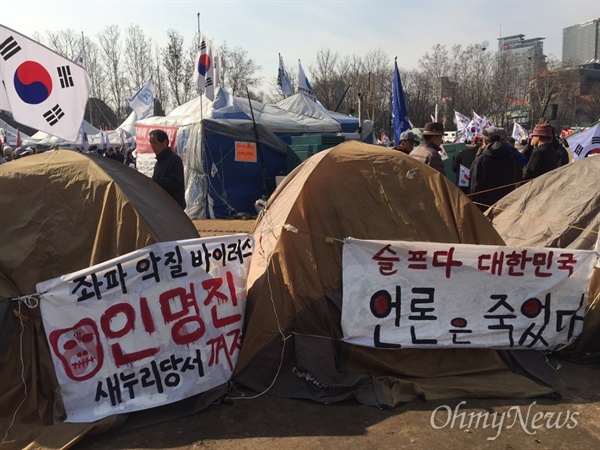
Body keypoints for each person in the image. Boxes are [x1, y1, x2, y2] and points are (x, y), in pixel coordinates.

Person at [469, 127, 522, 212]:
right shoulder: (512, 157)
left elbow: (475, 187)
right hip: (507, 205)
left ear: (485, 141)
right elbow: (518, 177)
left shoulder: (481, 160)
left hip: (486, 208)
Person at [149, 129, 186, 209]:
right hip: (161, 206)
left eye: (155, 143)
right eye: (151, 143)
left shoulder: (174, 160)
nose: (152, 146)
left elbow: (175, 183)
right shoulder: (158, 163)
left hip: (173, 207)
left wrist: (154, 182)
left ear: (165, 142)